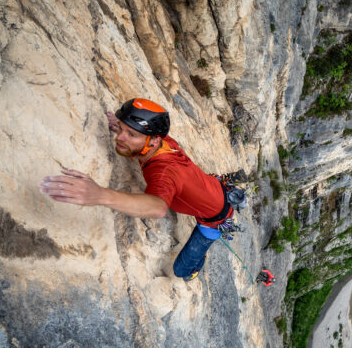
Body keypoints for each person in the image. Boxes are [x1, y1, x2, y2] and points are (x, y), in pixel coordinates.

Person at [39, 98, 232, 280]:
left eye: (132, 134)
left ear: (154, 141)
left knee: (181, 271)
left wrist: (100, 195)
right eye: (122, 129)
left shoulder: (165, 172)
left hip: (215, 217)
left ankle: (197, 263)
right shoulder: (162, 142)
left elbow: (158, 207)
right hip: (214, 188)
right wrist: (124, 129)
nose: (120, 137)